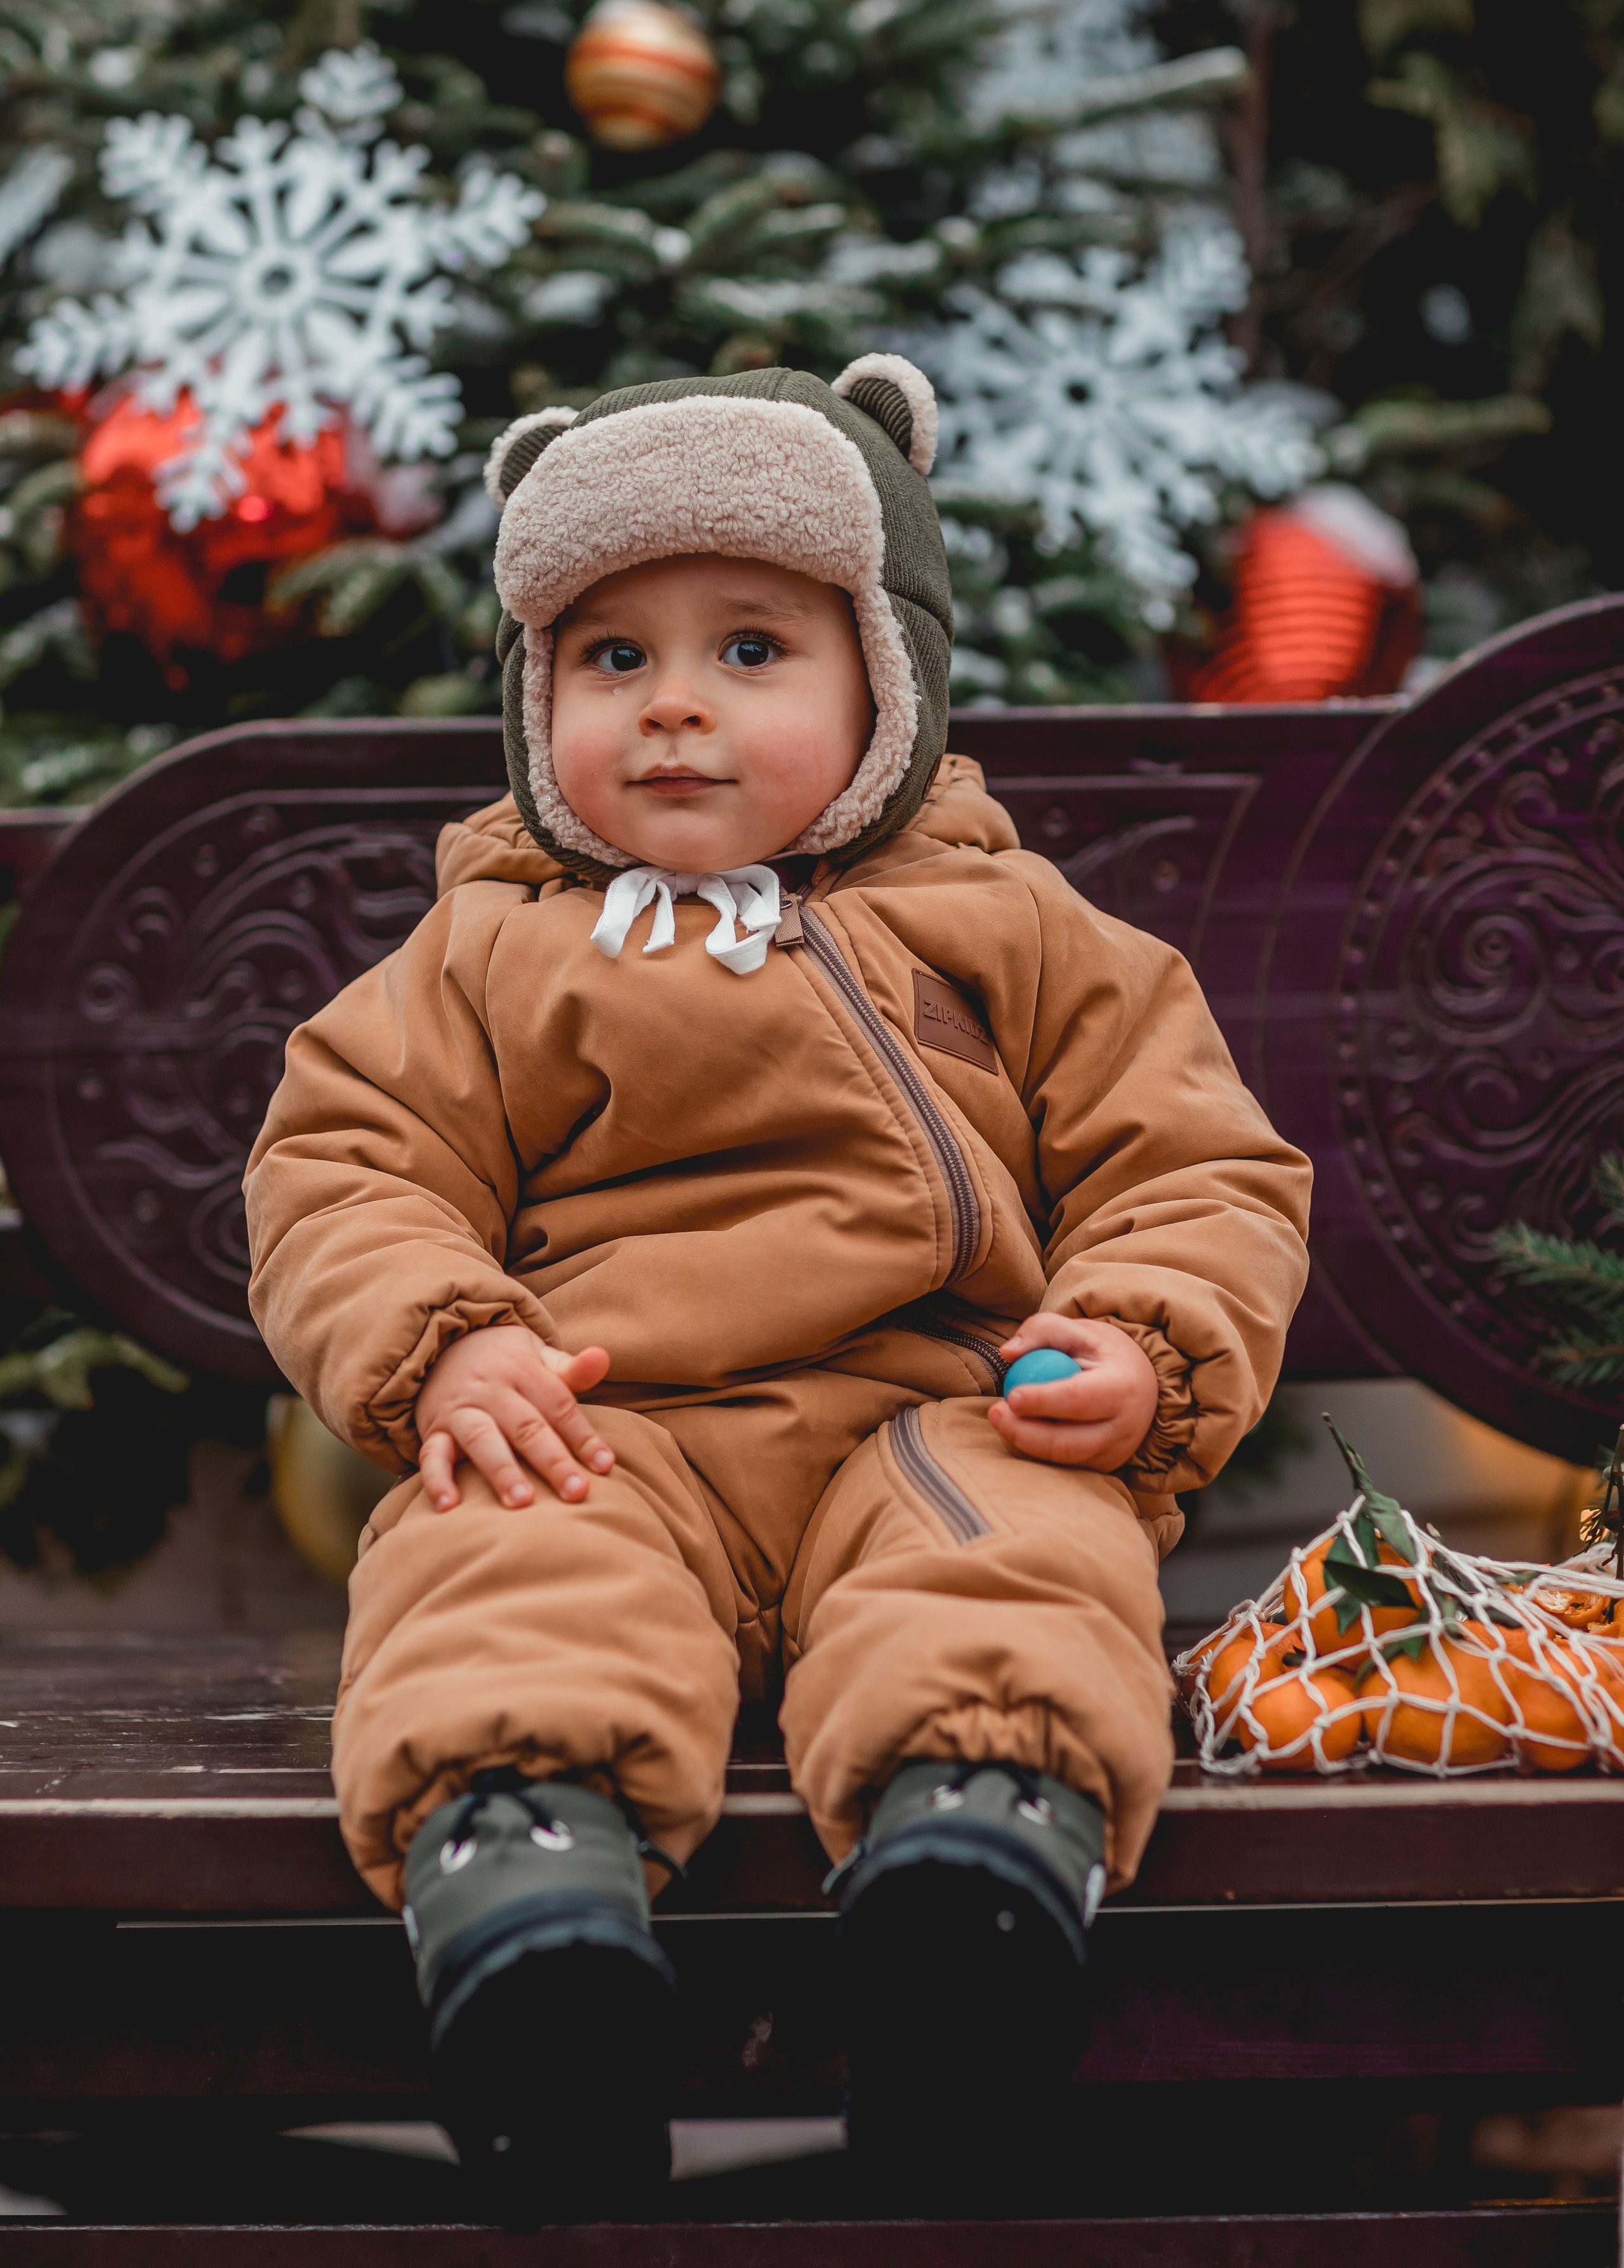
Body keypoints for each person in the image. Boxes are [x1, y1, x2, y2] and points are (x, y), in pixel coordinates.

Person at [246, 358, 1312, 2219]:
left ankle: (966, 1889)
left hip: (936, 1413)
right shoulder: (489, 947)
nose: (673, 708)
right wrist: (453, 1343)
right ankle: (532, 1918)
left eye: (751, 651)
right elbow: (347, 1167)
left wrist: (1142, 1342)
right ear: (534, 695)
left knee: (1022, 1549)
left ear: (882, 680)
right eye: (610, 659)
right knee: (497, 1545)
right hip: (609, 1420)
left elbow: (1195, 1163)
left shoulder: (1014, 921)